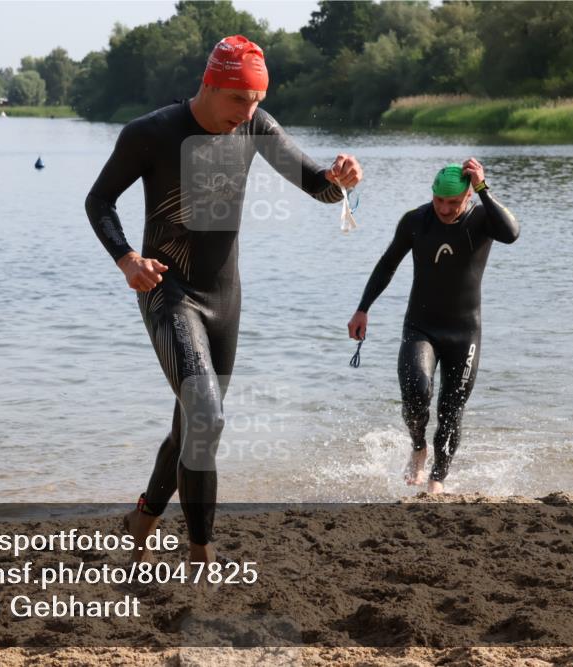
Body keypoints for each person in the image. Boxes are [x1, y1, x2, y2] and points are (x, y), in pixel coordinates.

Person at [86, 35, 363, 563]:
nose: (248, 111)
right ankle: (201, 552)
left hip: (225, 297)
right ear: (209, 85)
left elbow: (319, 187)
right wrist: (126, 259)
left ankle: (142, 515)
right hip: (167, 289)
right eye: (238, 99)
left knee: (193, 421)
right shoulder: (152, 132)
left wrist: (341, 179)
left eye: (257, 100)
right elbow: (99, 200)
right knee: (207, 417)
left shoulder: (256, 125)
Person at [347, 159, 518, 494]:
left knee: (451, 408)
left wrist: (483, 188)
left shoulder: (483, 218)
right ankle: (418, 447)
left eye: (453, 202)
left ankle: (438, 478)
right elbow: (387, 265)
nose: (444, 208)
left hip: (464, 333)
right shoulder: (416, 221)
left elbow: (511, 233)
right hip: (421, 327)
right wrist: (363, 309)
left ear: (469, 195)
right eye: (439, 200)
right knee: (415, 391)